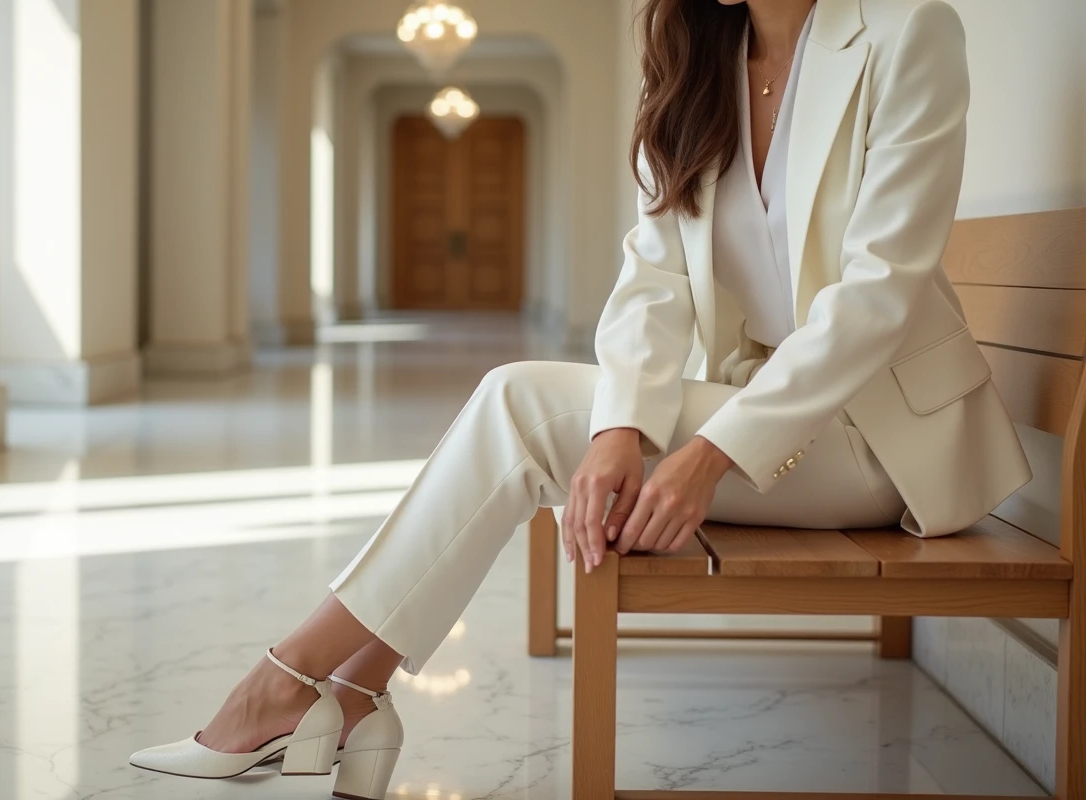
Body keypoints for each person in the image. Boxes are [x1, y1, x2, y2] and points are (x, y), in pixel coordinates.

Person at [129, 1, 1032, 797]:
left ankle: (292, 684)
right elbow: (653, 281)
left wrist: (708, 453)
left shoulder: (908, 35)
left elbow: (878, 294)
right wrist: (621, 427)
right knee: (535, 412)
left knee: (518, 403)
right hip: (769, 417)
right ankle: (349, 690)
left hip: (883, 441)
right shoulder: (703, 67)